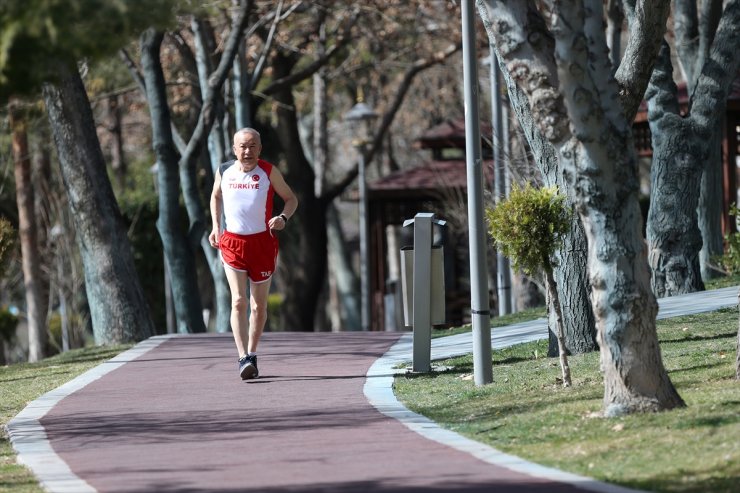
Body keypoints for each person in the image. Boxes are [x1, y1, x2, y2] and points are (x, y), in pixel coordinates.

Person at [209, 128, 298, 380]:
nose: (247, 152)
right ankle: (242, 358)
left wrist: (282, 217)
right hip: (233, 243)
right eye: (242, 147)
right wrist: (216, 227)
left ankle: (253, 351)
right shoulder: (224, 171)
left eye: (252, 146)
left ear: (259, 148)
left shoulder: (268, 171)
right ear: (234, 149)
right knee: (238, 300)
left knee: (258, 306)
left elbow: (291, 199)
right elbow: (215, 196)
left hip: (262, 244)